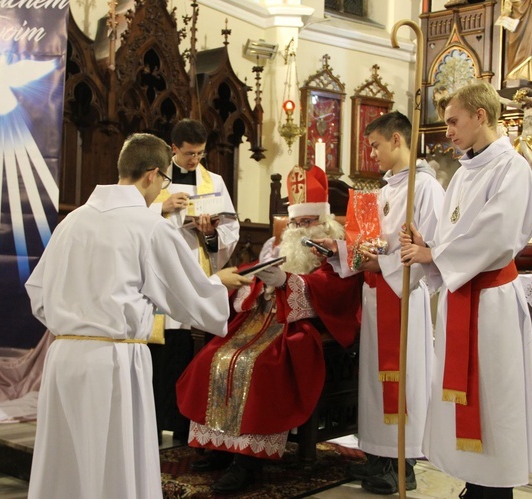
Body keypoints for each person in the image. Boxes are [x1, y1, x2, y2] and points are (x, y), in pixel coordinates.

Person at [25, 133, 251, 499]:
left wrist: (76, 320)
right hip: (114, 359)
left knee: (66, 460)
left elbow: (37, 294)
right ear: (152, 174)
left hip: (63, 358)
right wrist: (217, 282)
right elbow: (189, 296)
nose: (161, 188)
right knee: (115, 461)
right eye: (163, 181)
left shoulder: (72, 221)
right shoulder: (146, 225)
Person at [176, 164, 363, 494]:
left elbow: (335, 292)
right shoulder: (278, 247)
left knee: (256, 366)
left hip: (299, 328)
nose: (299, 229)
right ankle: (222, 448)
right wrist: (255, 283)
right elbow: (251, 274)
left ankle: (249, 462)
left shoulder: (336, 250)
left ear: (325, 221)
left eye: (307, 222)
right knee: (213, 357)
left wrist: (288, 283)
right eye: (295, 222)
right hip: (259, 321)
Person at [400, 81, 532, 498]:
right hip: (462, 297)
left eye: (453, 121)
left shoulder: (511, 169)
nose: (447, 131)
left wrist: (436, 255)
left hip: (492, 303)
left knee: (493, 397)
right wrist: (425, 245)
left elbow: (497, 236)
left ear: (481, 116)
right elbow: (452, 236)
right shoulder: (464, 172)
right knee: (464, 397)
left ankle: (495, 490)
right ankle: (474, 484)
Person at [317, 111, 445, 494]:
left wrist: (382, 261)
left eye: (375, 145)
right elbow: (372, 242)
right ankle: (377, 455)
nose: (371, 154)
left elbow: (429, 250)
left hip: (405, 299)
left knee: (403, 380)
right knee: (374, 382)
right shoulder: (384, 190)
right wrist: (339, 249)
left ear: (397, 140)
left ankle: (402, 465)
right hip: (377, 296)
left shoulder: (425, 188)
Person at [149, 119, 240, 443]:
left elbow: (230, 230)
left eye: (200, 153)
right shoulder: (154, 179)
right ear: (174, 149)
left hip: (195, 271)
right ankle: (152, 425)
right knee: (160, 360)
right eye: (189, 154)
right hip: (160, 278)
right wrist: (163, 208)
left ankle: (184, 429)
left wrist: (210, 231)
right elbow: (132, 219)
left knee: (186, 357)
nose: (195, 160)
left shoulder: (212, 181)